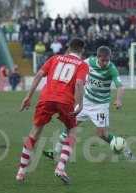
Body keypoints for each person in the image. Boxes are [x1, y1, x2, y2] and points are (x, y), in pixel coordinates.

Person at [16, 38, 89, 184]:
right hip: (65, 100)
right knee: (72, 131)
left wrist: (28, 97)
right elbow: (80, 83)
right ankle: (60, 168)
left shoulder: (55, 58)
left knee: (34, 133)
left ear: (68, 48)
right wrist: (80, 104)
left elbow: (38, 76)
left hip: (46, 98)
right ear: (82, 51)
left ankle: (21, 172)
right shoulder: (82, 64)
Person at [43, 46, 133, 160]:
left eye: (107, 60)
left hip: (100, 105)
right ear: (97, 57)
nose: (105, 62)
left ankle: (124, 148)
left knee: (101, 134)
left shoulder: (112, 69)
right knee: (70, 125)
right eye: (103, 60)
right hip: (85, 102)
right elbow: (77, 66)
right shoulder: (89, 62)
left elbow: (120, 87)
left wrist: (119, 100)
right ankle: (55, 152)